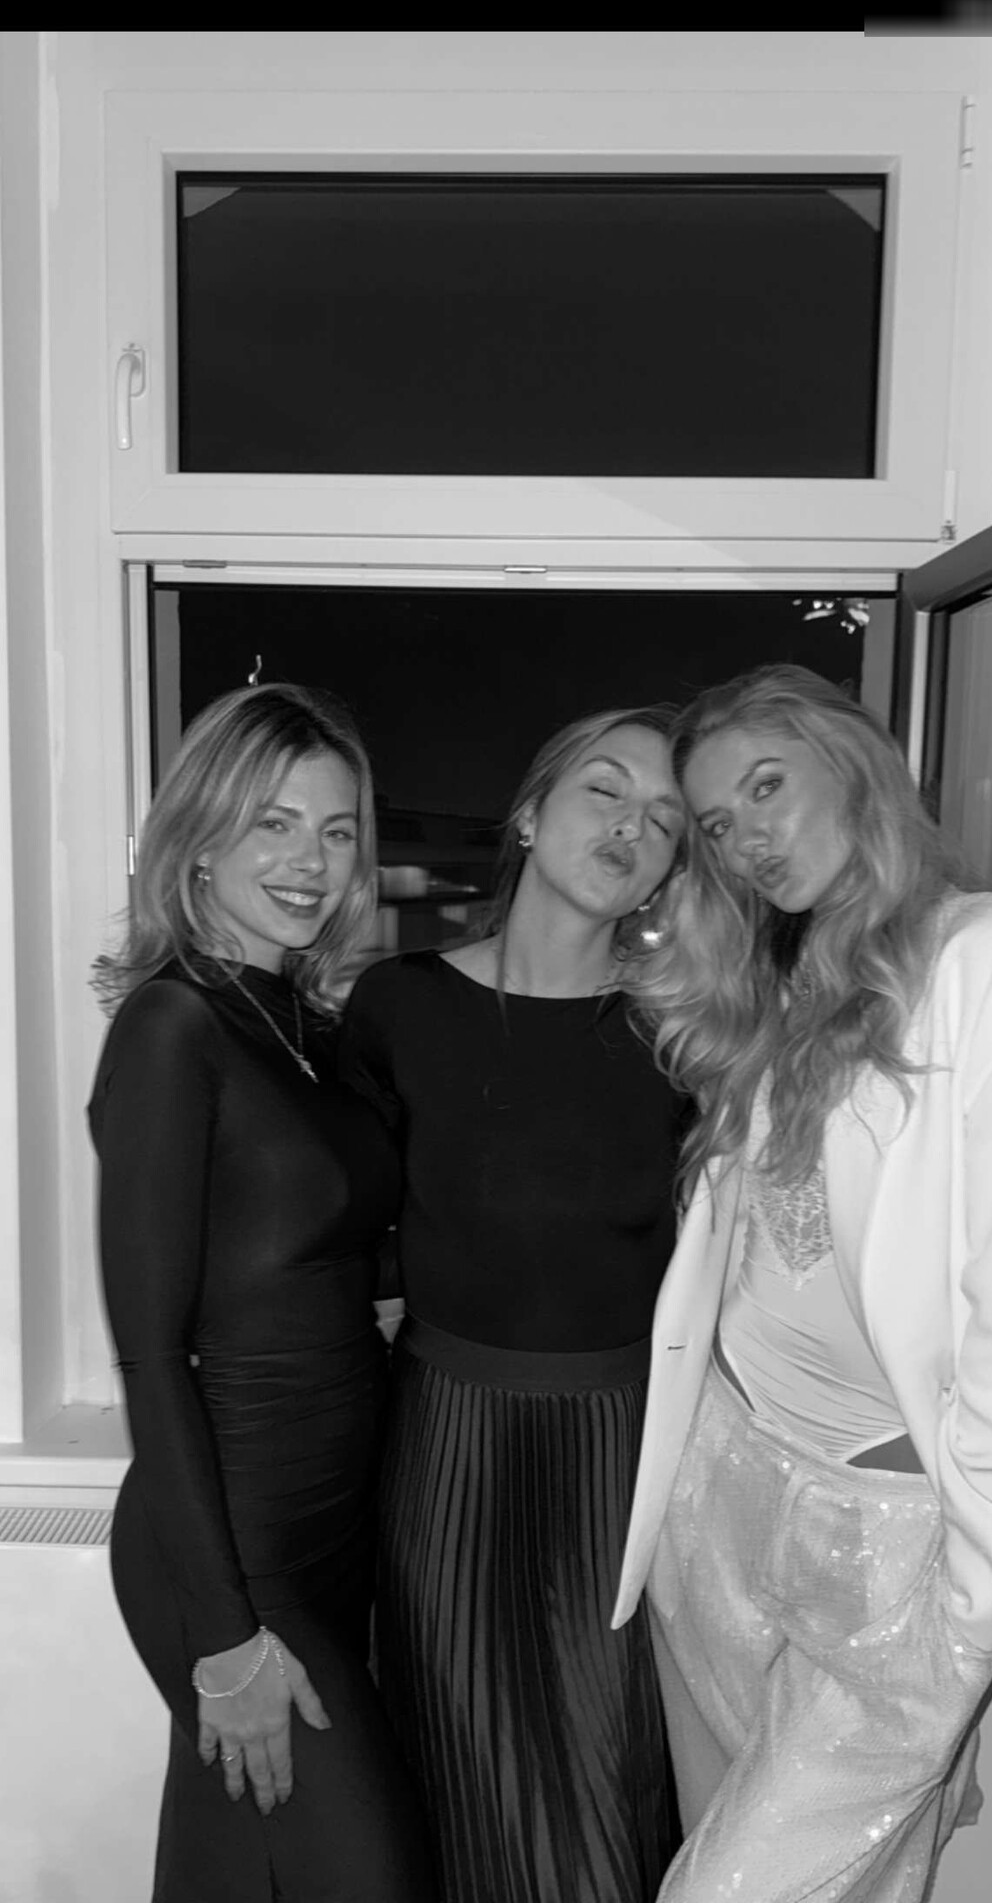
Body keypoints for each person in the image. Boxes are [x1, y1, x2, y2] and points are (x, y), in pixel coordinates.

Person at [614, 663, 992, 1903]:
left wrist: (974, 1602)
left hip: (888, 1534)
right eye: (718, 824)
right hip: (721, 1488)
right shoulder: (782, 977)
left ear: (854, 764)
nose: (746, 841)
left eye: (767, 787)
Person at [88, 682, 436, 1903]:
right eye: (273, 823)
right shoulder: (171, 1028)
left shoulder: (307, 1030)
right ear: (201, 838)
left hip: (334, 1536)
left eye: (337, 831)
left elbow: (332, 1256)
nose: (310, 862)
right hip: (229, 1549)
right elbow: (149, 1351)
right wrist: (225, 1633)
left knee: (237, 1868)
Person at [339, 706, 689, 1903]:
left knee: (605, 1788)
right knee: (459, 1778)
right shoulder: (396, 1005)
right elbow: (343, 1230)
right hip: (445, 1445)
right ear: (531, 817)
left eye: (664, 818)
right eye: (606, 791)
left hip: (621, 1454)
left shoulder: (683, 1034)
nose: (632, 825)